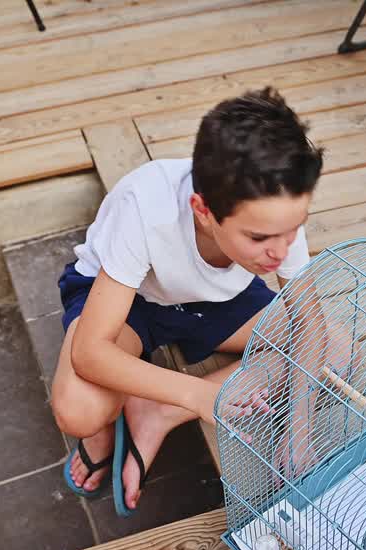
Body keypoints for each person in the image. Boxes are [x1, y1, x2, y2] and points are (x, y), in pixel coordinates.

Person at [51, 86, 324, 513]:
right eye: (259, 237)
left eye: (294, 229)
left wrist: (300, 426)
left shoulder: (278, 207)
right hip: (130, 300)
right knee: (81, 410)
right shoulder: (145, 204)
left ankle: (157, 411)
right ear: (202, 210)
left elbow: (311, 326)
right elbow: (90, 352)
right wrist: (198, 395)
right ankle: (108, 428)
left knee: (336, 347)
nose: (282, 251)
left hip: (213, 301)